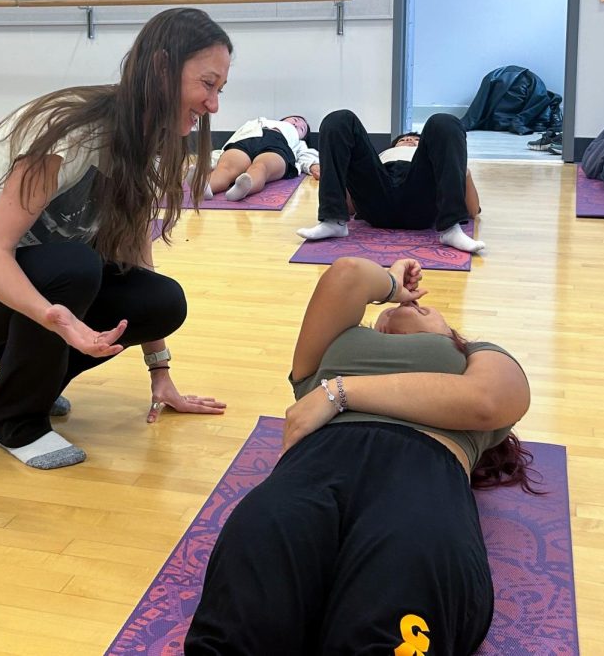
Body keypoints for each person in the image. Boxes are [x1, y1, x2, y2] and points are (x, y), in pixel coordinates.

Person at [0, 7, 231, 470]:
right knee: (74, 266)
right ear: (160, 68)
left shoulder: (146, 143)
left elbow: (135, 252)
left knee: (162, 301)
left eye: (220, 90)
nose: (213, 105)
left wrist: (161, 371)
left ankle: (25, 372)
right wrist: (55, 319)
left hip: (25, 282)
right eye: (207, 84)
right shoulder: (72, 134)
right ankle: (16, 421)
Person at [185, 256, 534, 655]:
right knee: (237, 623)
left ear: (451, 335)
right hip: (316, 464)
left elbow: (487, 400)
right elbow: (347, 274)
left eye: (428, 310)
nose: (414, 306)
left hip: (421, 472)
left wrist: (339, 393)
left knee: (389, 626)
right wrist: (391, 283)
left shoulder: (473, 354)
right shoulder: (337, 343)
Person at [297, 111, 485, 253]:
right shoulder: (382, 156)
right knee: (339, 119)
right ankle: (333, 222)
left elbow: (473, 210)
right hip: (379, 194)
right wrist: (343, 176)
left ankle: (451, 228)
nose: (409, 140)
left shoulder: (429, 156)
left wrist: (458, 168)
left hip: (420, 195)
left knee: (444, 121)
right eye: (404, 139)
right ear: (394, 145)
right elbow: (353, 207)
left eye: (415, 139)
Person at [196, 115, 318, 202]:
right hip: (248, 140)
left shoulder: (298, 142)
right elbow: (235, 138)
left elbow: (306, 155)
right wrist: (211, 160)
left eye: (301, 129)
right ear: (283, 119)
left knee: (261, 167)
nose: (297, 124)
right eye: (295, 120)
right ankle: (206, 186)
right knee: (226, 167)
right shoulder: (259, 122)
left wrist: (313, 165)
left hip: (278, 147)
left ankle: (243, 188)